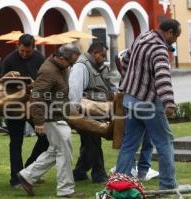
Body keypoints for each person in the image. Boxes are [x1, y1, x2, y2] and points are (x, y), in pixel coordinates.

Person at [115, 19, 181, 190]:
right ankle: (167, 185)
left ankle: (120, 183)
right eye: (176, 36)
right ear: (170, 32)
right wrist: (169, 103)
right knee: (165, 142)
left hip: (130, 99)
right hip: (149, 103)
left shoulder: (142, 37)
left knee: (129, 144)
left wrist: (130, 81)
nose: (176, 40)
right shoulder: (159, 49)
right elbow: (162, 77)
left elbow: (124, 61)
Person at [17, 44, 85, 198]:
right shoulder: (49, 72)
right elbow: (37, 96)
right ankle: (66, 190)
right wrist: (39, 122)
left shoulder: (60, 67)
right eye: (70, 63)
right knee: (65, 151)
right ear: (61, 58)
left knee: (55, 150)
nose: (71, 66)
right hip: (52, 118)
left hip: (57, 115)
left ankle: (27, 176)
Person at [1, 33, 49, 188]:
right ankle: (15, 179)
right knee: (16, 142)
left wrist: (37, 84)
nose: (24, 54)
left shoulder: (40, 58)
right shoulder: (9, 60)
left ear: (33, 48)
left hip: (34, 105)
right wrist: (7, 76)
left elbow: (45, 80)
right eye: (22, 51)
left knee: (45, 138)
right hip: (14, 106)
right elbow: (1, 84)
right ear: (18, 46)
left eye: (28, 52)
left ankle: (28, 171)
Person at [69, 42, 113, 183]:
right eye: (103, 56)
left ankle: (79, 172)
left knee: (89, 142)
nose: (104, 59)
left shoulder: (99, 67)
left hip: (97, 109)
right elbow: (75, 89)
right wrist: (74, 111)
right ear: (95, 53)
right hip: (85, 110)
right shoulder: (80, 66)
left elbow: (108, 87)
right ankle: (98, 174)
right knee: (93, 141)